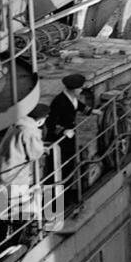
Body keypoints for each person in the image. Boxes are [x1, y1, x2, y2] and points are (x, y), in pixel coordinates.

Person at [0, 103, 49, 243]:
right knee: (19, 213)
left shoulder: (16, 125)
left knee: (0, 212)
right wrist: (41, 141)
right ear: (40, 120)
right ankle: (14, 244)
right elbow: (35, 153)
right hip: (13, 178)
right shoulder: (30, 131)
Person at [47, 73, 87, 201]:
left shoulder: (71, 97)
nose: (81, 90)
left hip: (70, 137)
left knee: (70, 163)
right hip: (60, 140)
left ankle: (67, 191)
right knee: (61, 166)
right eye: (80, 88)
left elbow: (78, 106)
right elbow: (51, 122)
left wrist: (91, 111)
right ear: (75, 89)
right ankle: (59, 197)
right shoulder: (60, 101)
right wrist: (63, 131)